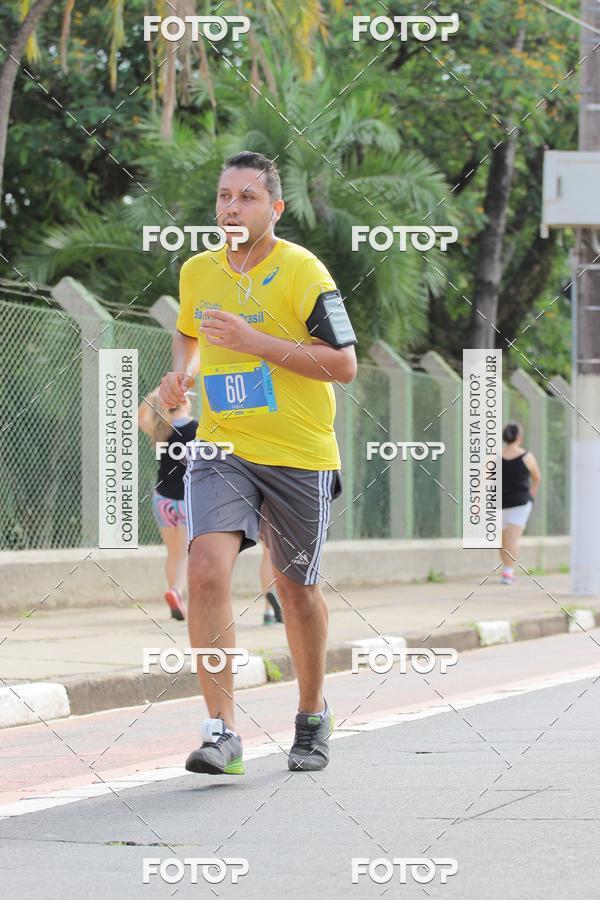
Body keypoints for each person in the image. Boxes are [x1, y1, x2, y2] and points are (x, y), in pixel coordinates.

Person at [159, 150, 357, 776]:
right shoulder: (198, 271)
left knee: (295, 591)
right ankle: (222, 732)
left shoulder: (303, 270)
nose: (231, 208)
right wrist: (180, 375)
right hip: (223, 446)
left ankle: (312, 715)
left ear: (276, 208)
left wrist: (256, 343)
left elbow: (344, 364)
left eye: (247, 197)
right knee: (205, 570)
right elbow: (190, 332)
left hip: (299, 453)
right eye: (224, 196)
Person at [138, 389, 198, 620]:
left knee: (172, 553)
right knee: (184, 553)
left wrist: (159, 393)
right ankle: (176, 592)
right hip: (187, 500)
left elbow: (139, 417)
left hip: (162, 500)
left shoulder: (162, 428)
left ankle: (175, 603)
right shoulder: (199, 429)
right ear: (184, 402)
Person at [500, 422, 542, 584]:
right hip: (517, 502)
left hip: (508, 504)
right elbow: (537, 478)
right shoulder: (527, 456)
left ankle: (507, 571)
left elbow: (484, 479)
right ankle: (507, 571)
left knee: (506, 539)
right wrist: (532, 493)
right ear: (518, 437)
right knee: (508, 539)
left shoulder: (494, 456)